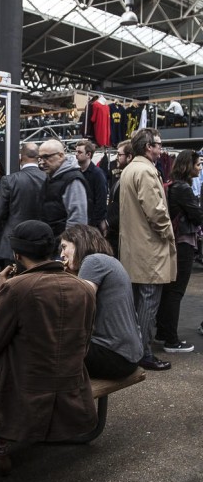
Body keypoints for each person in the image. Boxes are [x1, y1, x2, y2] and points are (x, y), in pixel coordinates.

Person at [0, 220, 97, 480]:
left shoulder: (17, 289)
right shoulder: (84, 289)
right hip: (70, 389)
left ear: (17, 255)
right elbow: (85, 343)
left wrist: (0, 293)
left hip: (21, 394)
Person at [119, 128, 176, 371]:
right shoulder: (145, 170)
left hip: (134, 247)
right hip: (149, 247)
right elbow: (156, 212)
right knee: (148, 302)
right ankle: (143, 353)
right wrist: (168, 233)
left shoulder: (130, 168)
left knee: (136, 302)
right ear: (147, 147)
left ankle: (133, 350)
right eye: (158, 144)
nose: (161, 149)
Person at [59, 224, 143, 379]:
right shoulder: (106, 260)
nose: (62, 255)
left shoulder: (93, 261)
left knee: (41, 349)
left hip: (113, 355)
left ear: (78, 241)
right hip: (127, 355)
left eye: (64, 247)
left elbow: (78, 305)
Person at [156, 149, 201, 353]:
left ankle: (164, 332)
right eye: (197, 164)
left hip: (176, 241)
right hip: (183, 242)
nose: (199, 168)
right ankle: (171, 340)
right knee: (176, 291)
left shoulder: (175, 185)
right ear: (188, 166)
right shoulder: (183, 188)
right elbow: (197, 216)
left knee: (170, 290)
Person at [0, 142, 46, 265]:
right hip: (41, 238)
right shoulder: (48, 178)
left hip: (14, 239)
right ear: (38, 158)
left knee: (12, 279)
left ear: (21, 157)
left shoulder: (9, 180)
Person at [38, 138, 89, 237]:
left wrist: (66, 245)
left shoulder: (73, 180)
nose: (42, 162)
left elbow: (77, 219)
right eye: (40, 158)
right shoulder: (51, 178)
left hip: (63, 245)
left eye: (46, 157)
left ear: (61, 156)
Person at [74, 139, 108, 235]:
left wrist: (92, 224)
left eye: (79, 152)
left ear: (88, 154)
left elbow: (101, 202)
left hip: (92, 225)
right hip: (80, 223)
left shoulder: (98, 174)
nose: (76, 154)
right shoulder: (77, 173)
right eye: (76, 151)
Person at [105, 140, 132, 256]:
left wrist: (109, 222)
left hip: (121, 233)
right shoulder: (123, 176)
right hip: (114, 232)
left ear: (129, 157)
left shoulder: (129, 178)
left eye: (119, 154)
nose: (117, 157)